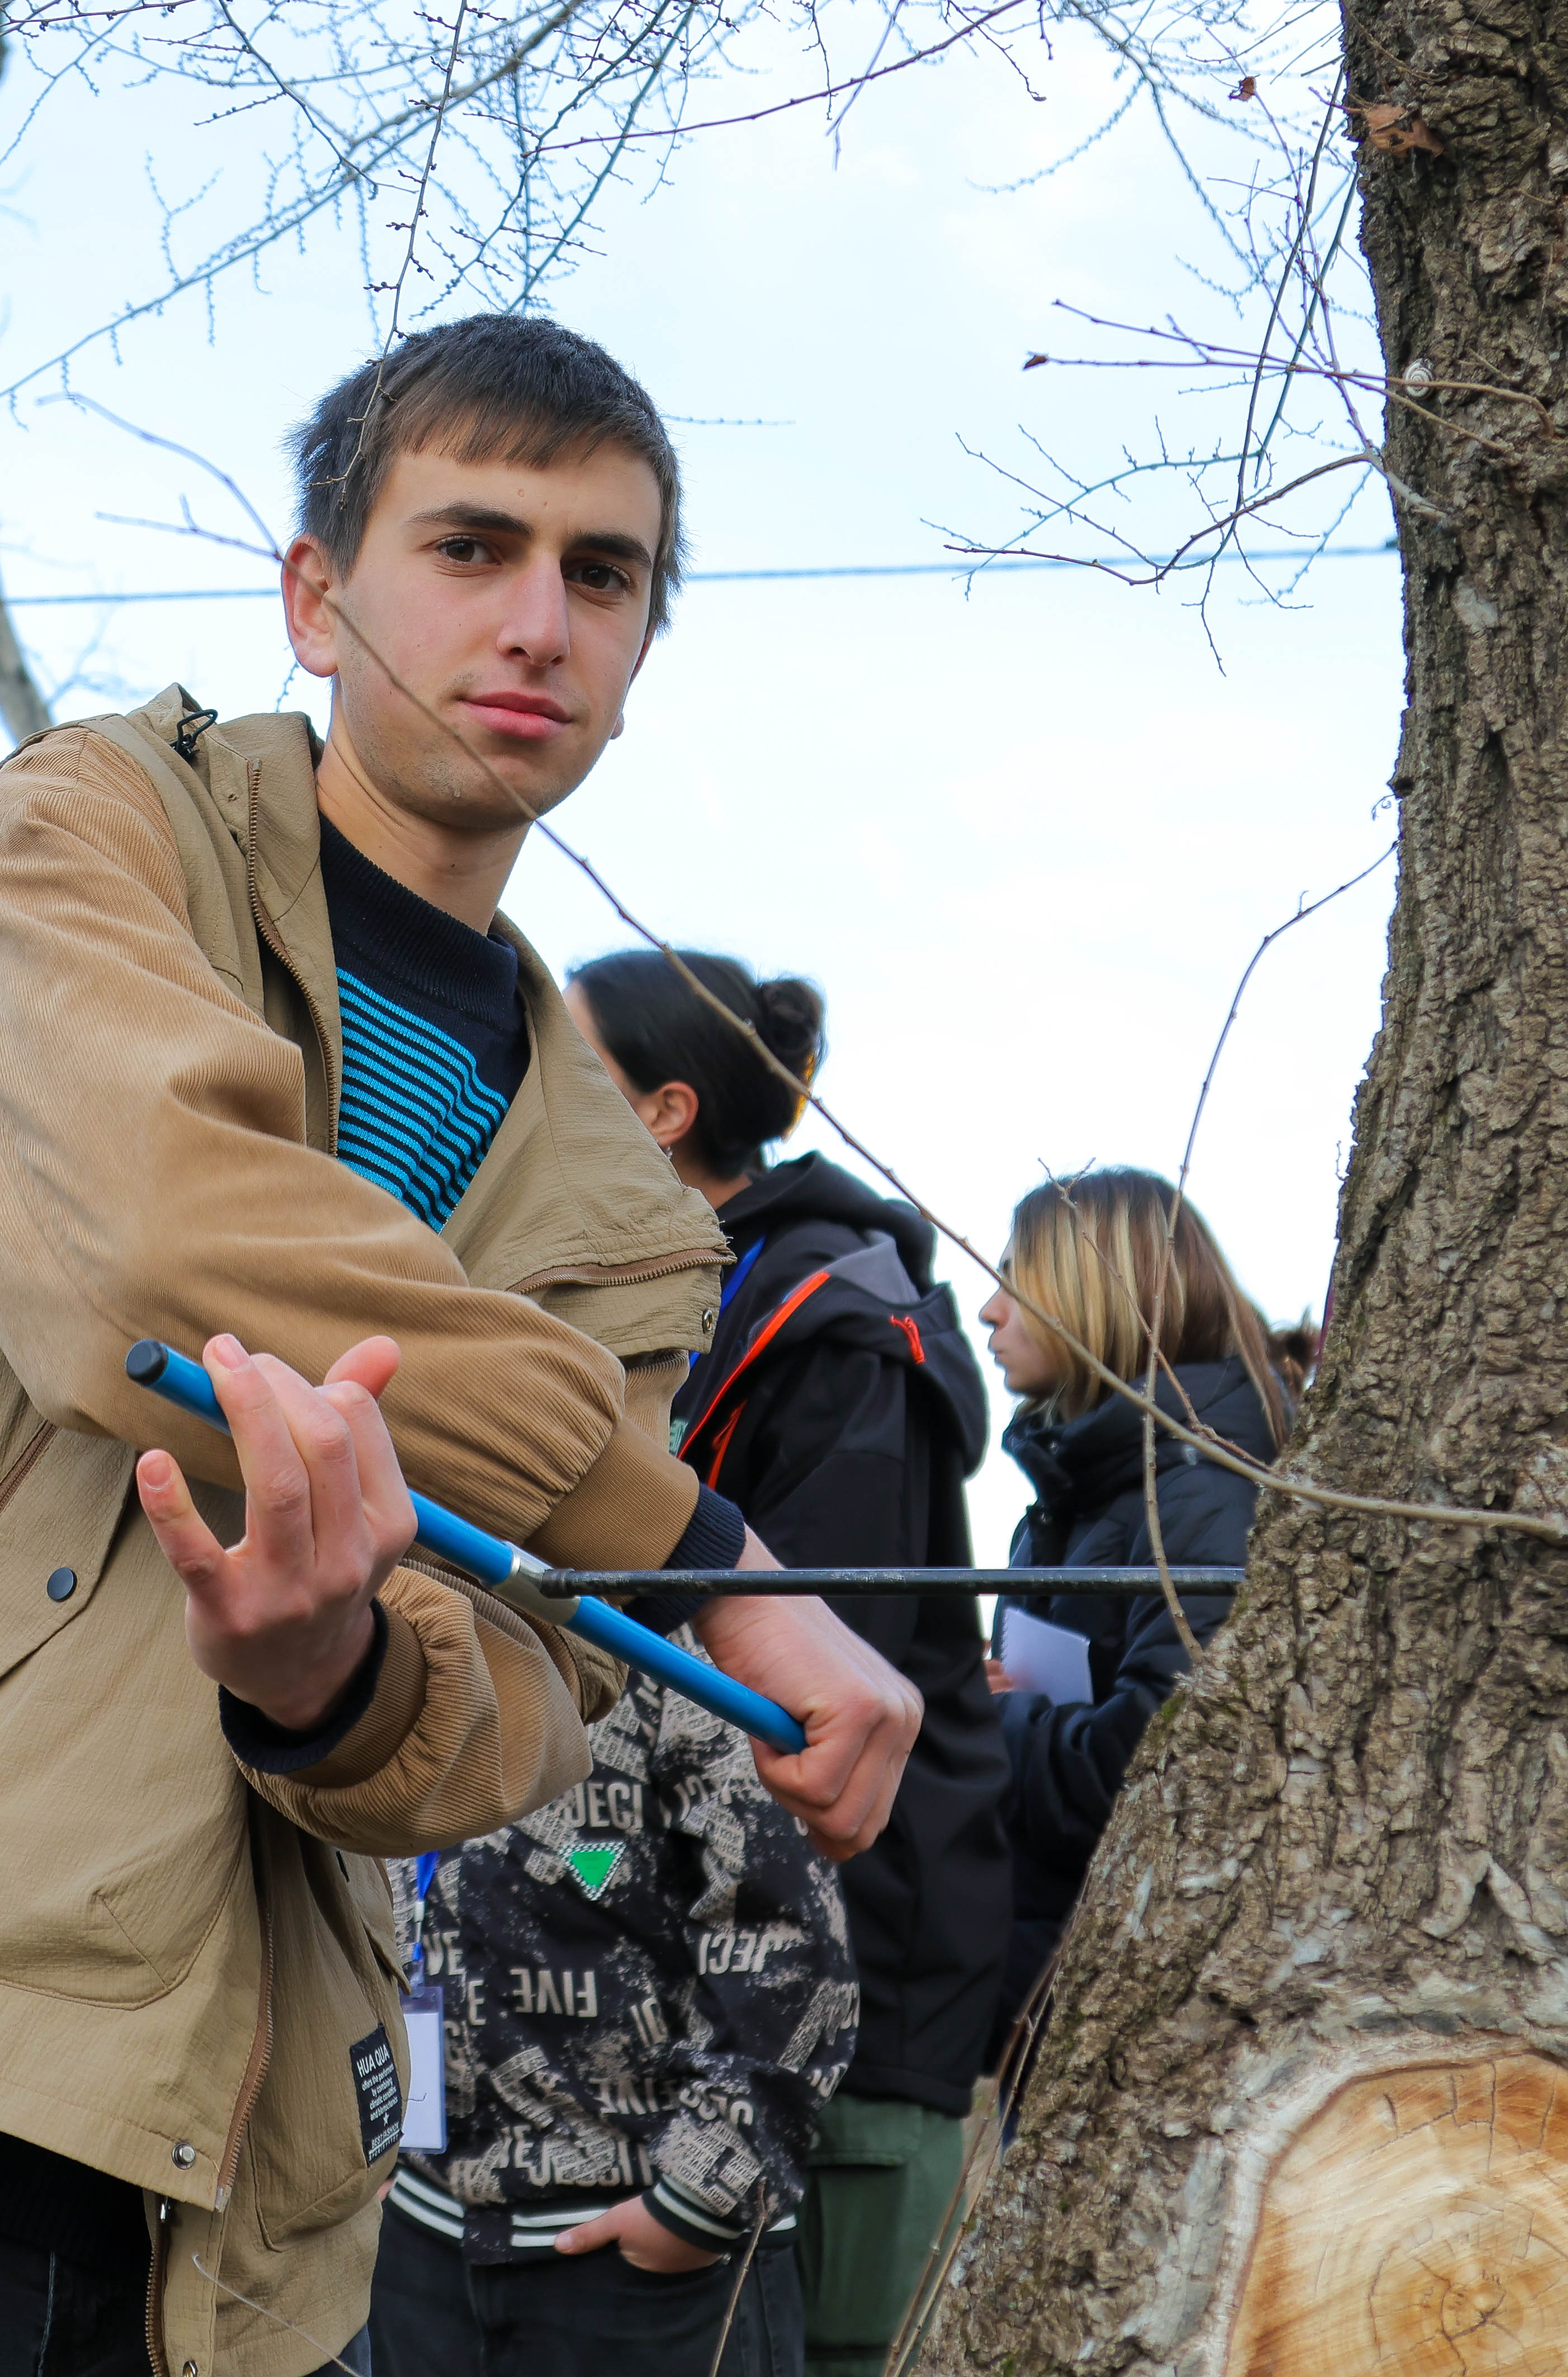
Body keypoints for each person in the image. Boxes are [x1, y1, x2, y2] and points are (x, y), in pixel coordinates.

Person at [0, 313, 919, 2377]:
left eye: (603, 575)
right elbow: (153, 1261)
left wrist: (333, 1686)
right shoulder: (95, 830)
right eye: (470, 547)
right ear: (314, 598)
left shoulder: (625, 1214)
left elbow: (521, 1707)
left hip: (260, 2180)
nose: (538, 621)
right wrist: (702, 1554)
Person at [564, 954, 1004, 2376]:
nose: (526, 1084)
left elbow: (816, 1673)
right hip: (697, 1981)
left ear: (665, 1111)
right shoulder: (668, 1299)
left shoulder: (836, 1327)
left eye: (567, 1058)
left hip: (842, 1993)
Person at [372, 1652, 858, 2377]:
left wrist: (699, 2205)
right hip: (420, 2240)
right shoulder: (402, 1623)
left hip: (650, 2267)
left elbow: (784, 1938)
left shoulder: (685, 1642)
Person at [974, 1169, 1290, 2068]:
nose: (989, 1310)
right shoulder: (1072, 1490)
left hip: (1142, 2010)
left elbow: (1164, 1763)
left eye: (1016, 1281)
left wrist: (989, 1722)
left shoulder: (1203, 1492)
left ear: (1099, 1295)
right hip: (1057, 1986)